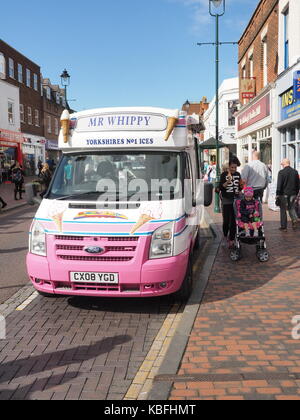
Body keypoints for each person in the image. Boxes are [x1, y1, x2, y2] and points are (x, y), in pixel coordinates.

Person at [219, 160, 242, 248]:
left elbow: (240, 186)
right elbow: (220, 187)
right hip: (226, 200)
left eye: (235, 167)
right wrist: (227, 182)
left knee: (233, 221)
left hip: (235, 200)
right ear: (228, 167)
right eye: (232, 167)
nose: (234, 169)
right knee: (226, 220)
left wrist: (240, 189)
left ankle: (232, 239)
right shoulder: (224, 175)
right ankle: (225, 236)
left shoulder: (238, 174)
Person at [276, 158, 300, 231]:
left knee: (283, 210)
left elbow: (279, 185)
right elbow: (298, 184)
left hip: (283, 194)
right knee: (291, 208)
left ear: (284, 164)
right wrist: (296, 193)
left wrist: (277, 194)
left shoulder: (281, 172)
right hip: (293, 193)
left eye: (282, 164)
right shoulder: (295, 172)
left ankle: (284, 227)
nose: (282, 165)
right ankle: (294, 220)